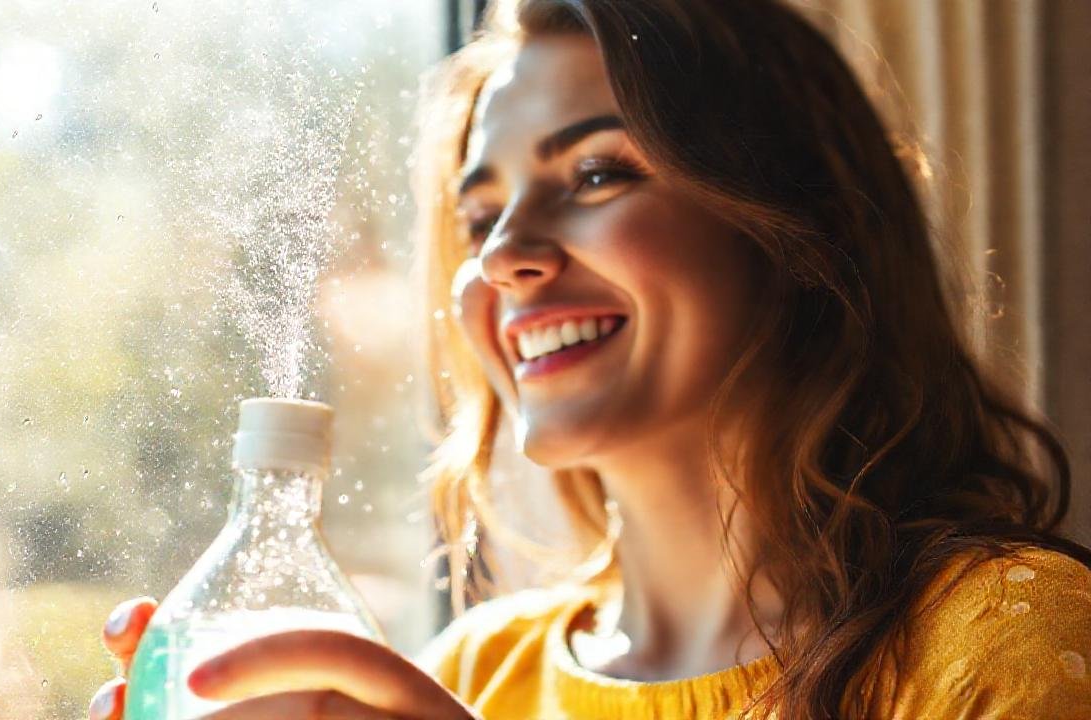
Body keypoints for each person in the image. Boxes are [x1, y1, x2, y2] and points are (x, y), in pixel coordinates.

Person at [88, 0, 1091, 717]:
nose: (503, 255)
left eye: (598, 172)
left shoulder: (1001, 649)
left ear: (797, 228)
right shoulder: (478, 676)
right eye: (479, 215)